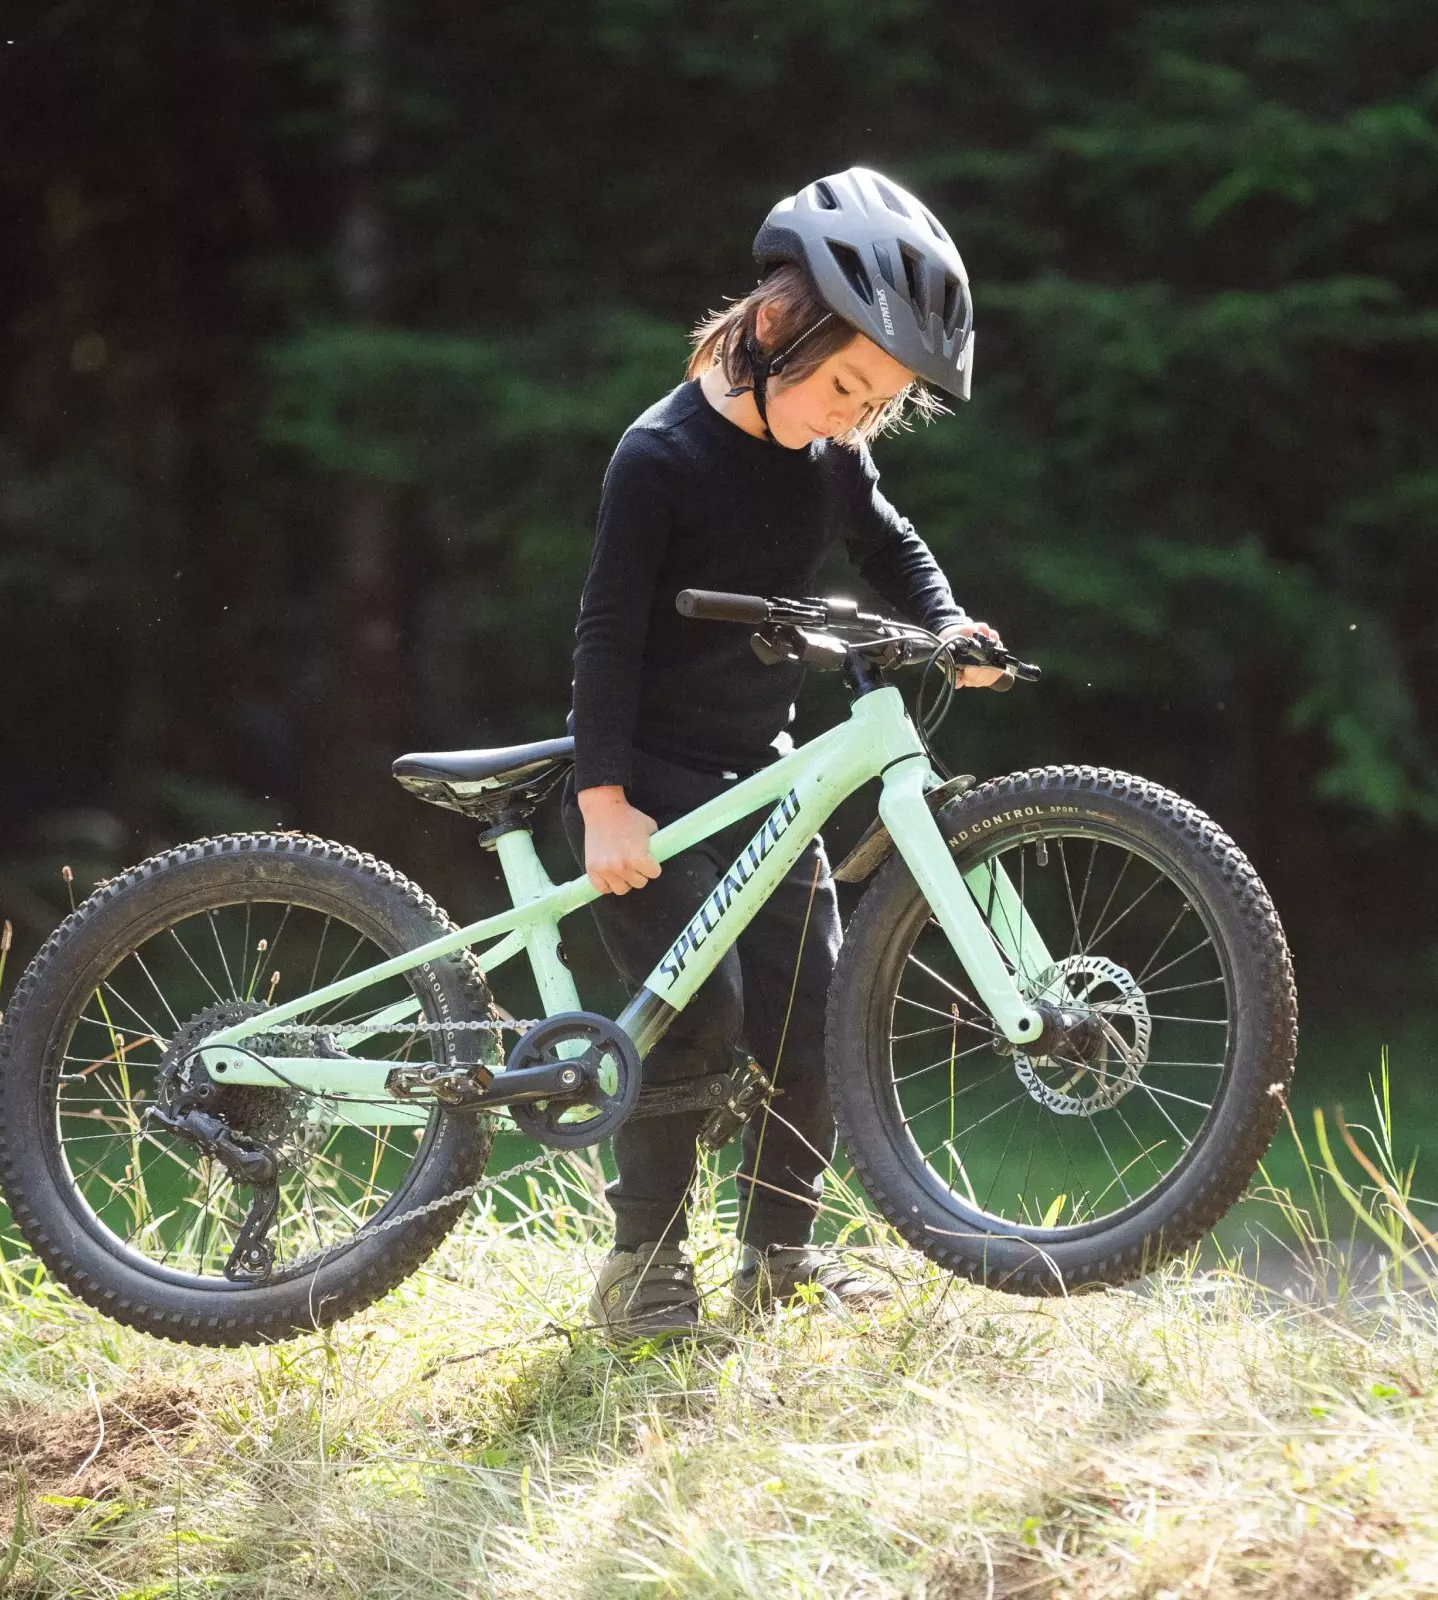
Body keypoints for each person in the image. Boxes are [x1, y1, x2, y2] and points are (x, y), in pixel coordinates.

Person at [566, 167, 1006, 1341]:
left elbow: (892, 544)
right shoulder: (658, 458)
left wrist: (947, 620)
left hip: (760, 773)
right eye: (848, 386)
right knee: (692, 1016)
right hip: (651, 782)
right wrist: (603, 797)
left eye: (881, 404)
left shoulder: (828, 453)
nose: (856, 418)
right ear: (775, 325)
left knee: (812, 1010)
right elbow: (607, 632)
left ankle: (779, 1255)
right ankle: (644, 1267)